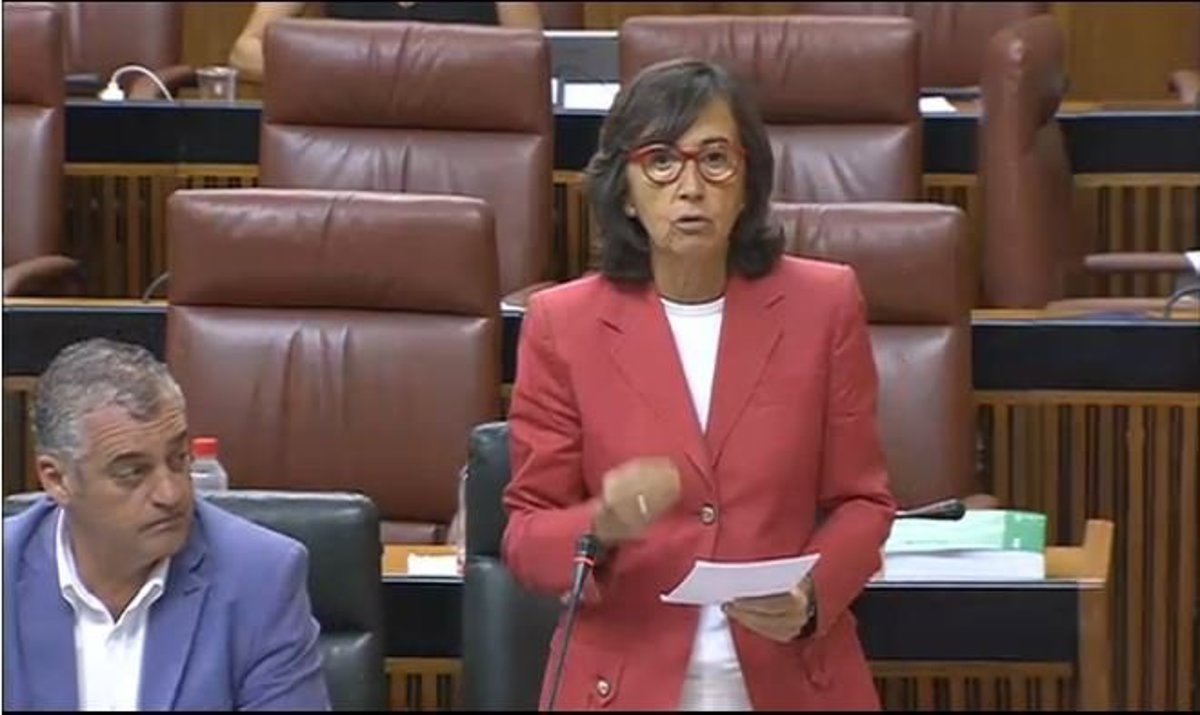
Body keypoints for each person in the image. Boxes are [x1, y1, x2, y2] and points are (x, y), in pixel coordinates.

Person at [501, 58, 898, 711]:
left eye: (714, 159)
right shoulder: (562, 325)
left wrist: (811, 594)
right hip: (622, 686)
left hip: (793, 678)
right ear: (625, 191)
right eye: (661, 161)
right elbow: (525, 538)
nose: (690, 187)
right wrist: (601, 523)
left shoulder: (823, 304)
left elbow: (863, 501)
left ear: (747, 183)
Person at [2, 338, 331, 711]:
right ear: (57, 479)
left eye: (179, 459)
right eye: (132, 472)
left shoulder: (261, 578)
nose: (171, 494)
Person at [229, 1, 545, 83]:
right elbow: (246, 52)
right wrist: (344, 75)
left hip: (463, 137)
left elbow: (531, 68)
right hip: (352, 135)